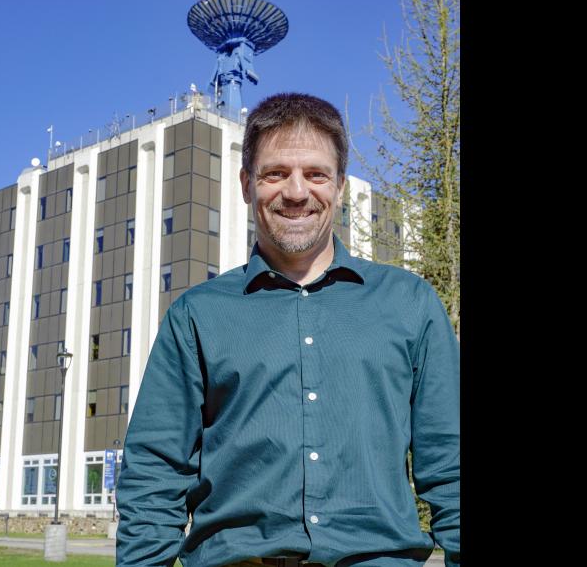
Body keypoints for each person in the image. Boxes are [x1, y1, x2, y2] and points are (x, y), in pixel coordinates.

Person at [115, 93, 459, 567]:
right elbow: (154, 473)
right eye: (276, 173)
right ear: (245, 184)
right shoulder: (197, 315)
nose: (296, 192)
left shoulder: (409, 304)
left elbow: (453, 463)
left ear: (339, 186)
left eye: (316, 174)